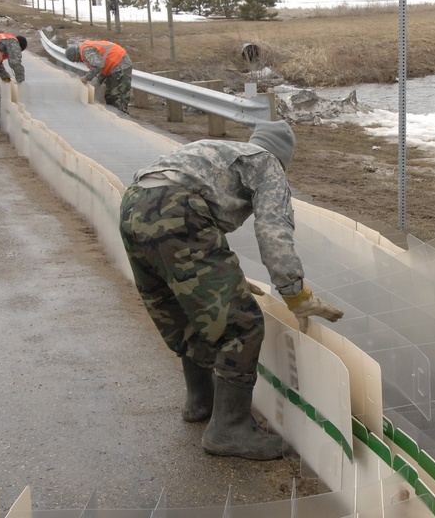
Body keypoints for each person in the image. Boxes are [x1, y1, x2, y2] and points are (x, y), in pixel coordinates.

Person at [119, 121, 344, 460]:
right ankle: (230, 429)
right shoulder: (269, 166)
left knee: (185, 310)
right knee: (241, 323)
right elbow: (273, 232)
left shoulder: (220, 152)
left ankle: (201, 402)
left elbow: (195, 208)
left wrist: (225, 277)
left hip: (134, 202)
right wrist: (296, 295)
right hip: (177, 210)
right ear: (284, 157)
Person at [65, 40, 133, 113]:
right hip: (111, 66)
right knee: (109, 97)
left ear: (76, 54)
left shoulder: (86, 51)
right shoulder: (84, 50)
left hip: (120, 63)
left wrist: (86, 78)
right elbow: (100, 67)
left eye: (76, 60)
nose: (78, 62)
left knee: (117, 97)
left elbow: (98, 65)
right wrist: (95, 84)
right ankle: (113, 118)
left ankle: (122, 118)